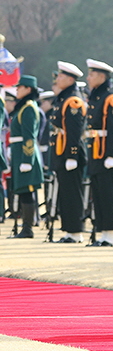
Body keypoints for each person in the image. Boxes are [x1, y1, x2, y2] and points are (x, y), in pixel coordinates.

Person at [84, 60, 113, 247]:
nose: (88, 78)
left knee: (108, 193)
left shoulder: (111, 98)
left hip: (106, 153)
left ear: (101, 76)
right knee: (98, 193)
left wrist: (111, 155)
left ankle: (111, 234)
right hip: (95, 151)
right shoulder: (96, 97)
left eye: (91, 74)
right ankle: (103, 232)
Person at [48, 62, 87, 243]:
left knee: (72, 192)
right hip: (60, 151)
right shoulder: (64, 97)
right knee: (65, 192)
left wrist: (72, 155)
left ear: (70, 79)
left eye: (61, 76)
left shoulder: (73, 100)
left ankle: (76, 231)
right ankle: (69, 230)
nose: (57, 79)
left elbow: (74, 131)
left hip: (69, 153)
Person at [9, 75, 43, 239]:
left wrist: (27, 160)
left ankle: (28, 228)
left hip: (25, 155)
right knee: (22, 190)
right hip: (19, 152)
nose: (16, 89)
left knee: (27, 191)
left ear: (28, 89)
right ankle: (25, 227)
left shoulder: (29, 107)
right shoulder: (24, 107)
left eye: (19, 87)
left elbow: (29, 136)